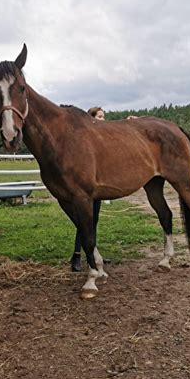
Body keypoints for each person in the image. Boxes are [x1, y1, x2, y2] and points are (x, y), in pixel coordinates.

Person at [70, 107, 105, 272]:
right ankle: (77, 254)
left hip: (97, 187)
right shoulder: (83, 139)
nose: (102, 120)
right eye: (99, 116)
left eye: (104, 117)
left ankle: (93, 253)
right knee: (83, 222)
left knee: (93, 221)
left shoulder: (100, 139)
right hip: (84, 187)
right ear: (91, 118)